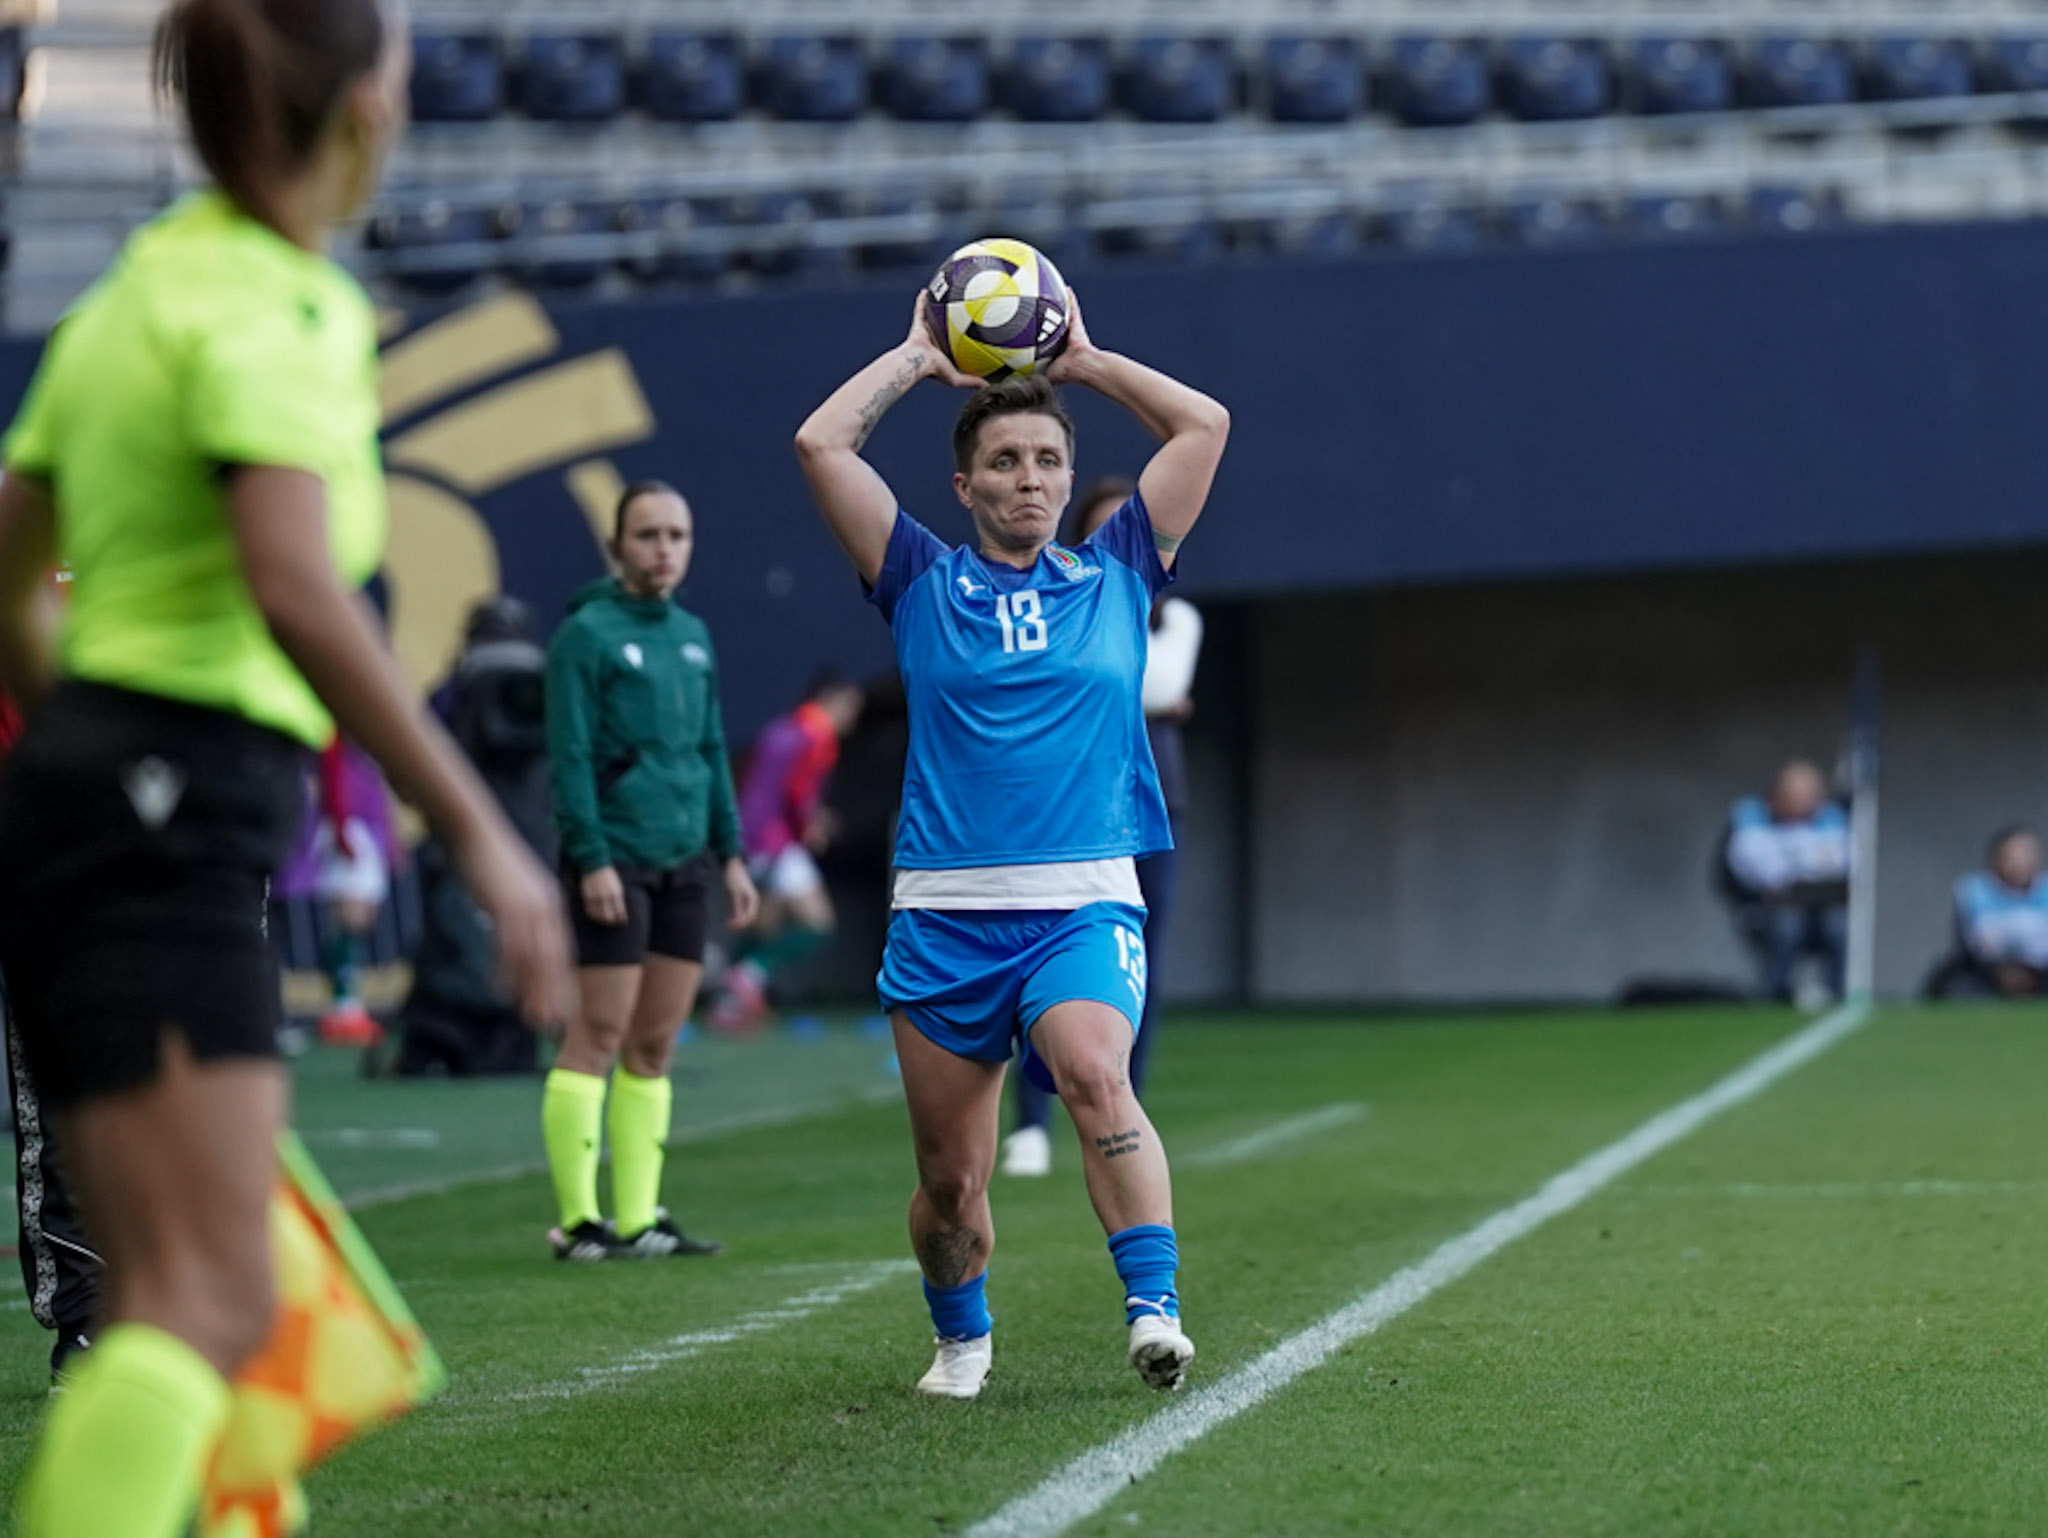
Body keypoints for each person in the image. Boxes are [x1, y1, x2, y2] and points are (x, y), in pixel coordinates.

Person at [0, 3, 575, 1533]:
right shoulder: (287, 304)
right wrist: (480, 831)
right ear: (364, 107)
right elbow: (296, 582)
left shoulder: (133, 294)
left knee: (169, 1294)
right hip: (177, 804)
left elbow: (9, 570)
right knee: (207, 1298)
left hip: (100, 794)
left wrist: (79, 746)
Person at [794, 291, 1229, 1398]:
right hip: (943, 917)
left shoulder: (1121, 570)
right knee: (951, 1184)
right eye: (1003, 461)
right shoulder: (918, 580)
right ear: (964, 485)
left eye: (1045, 460)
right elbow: (821, 444)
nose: (1028, 478)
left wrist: (1085, 360)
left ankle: (1153, 1308)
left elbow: (1203, 424)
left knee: (1094, 1072)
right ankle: (961, 1336)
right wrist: (913, 356)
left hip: (1083, 901)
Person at [542, 479, 759, 1261]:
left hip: (685, 862)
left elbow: (710, 750)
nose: (664, 549)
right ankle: (578, 1222)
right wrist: (592, 859)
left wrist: (731, 854)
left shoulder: (693, 636)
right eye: (648, 535)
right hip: (616, 860)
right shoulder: (585, 636)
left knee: (656, 1042)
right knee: (598, 1032)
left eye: (677, 535)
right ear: (616, 546)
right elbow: (568, 759)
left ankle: (637, 1220)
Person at [1001, 476, 1205, 1179]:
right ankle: (1031, 1123)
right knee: (1040, 957)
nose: (1119, 540)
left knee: (1139, 964)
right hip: (1070, 807)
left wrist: (1109, 683)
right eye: (1104, 526)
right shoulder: (1050, 603)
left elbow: (1160, 685)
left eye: (1131, 525)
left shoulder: (1175, 617)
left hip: (1152, 806)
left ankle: (1125, 1111)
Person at [3, 659, 103, 1389]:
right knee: (61, 1067)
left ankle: (208, 1290)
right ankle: (87, 1311)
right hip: (46, 802)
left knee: (204, 1069)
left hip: (196, 795)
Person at [718, 666, 866, 1031]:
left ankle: (729, 1005)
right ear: (829, 699)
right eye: (849, 707)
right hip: (776, 841)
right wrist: (811, 825)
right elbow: (797, 791)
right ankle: (747, 975)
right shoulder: (817, 734)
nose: (851, 718)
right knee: (817, 922)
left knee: (763, 924)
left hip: (750, 837)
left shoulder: (781, 728)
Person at [1718, 759, 1850, 1005]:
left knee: (1837, 926)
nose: (1804, 805)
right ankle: (1773, 993)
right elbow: (1727, 877)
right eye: (1796, 797)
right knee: (1789, 925)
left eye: (1810, 797)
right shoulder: (1749, 821)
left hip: (1821, 912)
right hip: (1767, 912)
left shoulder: (1832, 822)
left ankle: (1838, 992)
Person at [1926, 826, 2048, 999]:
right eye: (2013, 856)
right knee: (1954, 988)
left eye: (2027, 854)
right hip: (1987, 973)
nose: (2021, 863)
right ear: (1997, 858)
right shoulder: (1974, 891)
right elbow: (1975, 942)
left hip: (2041, 973)